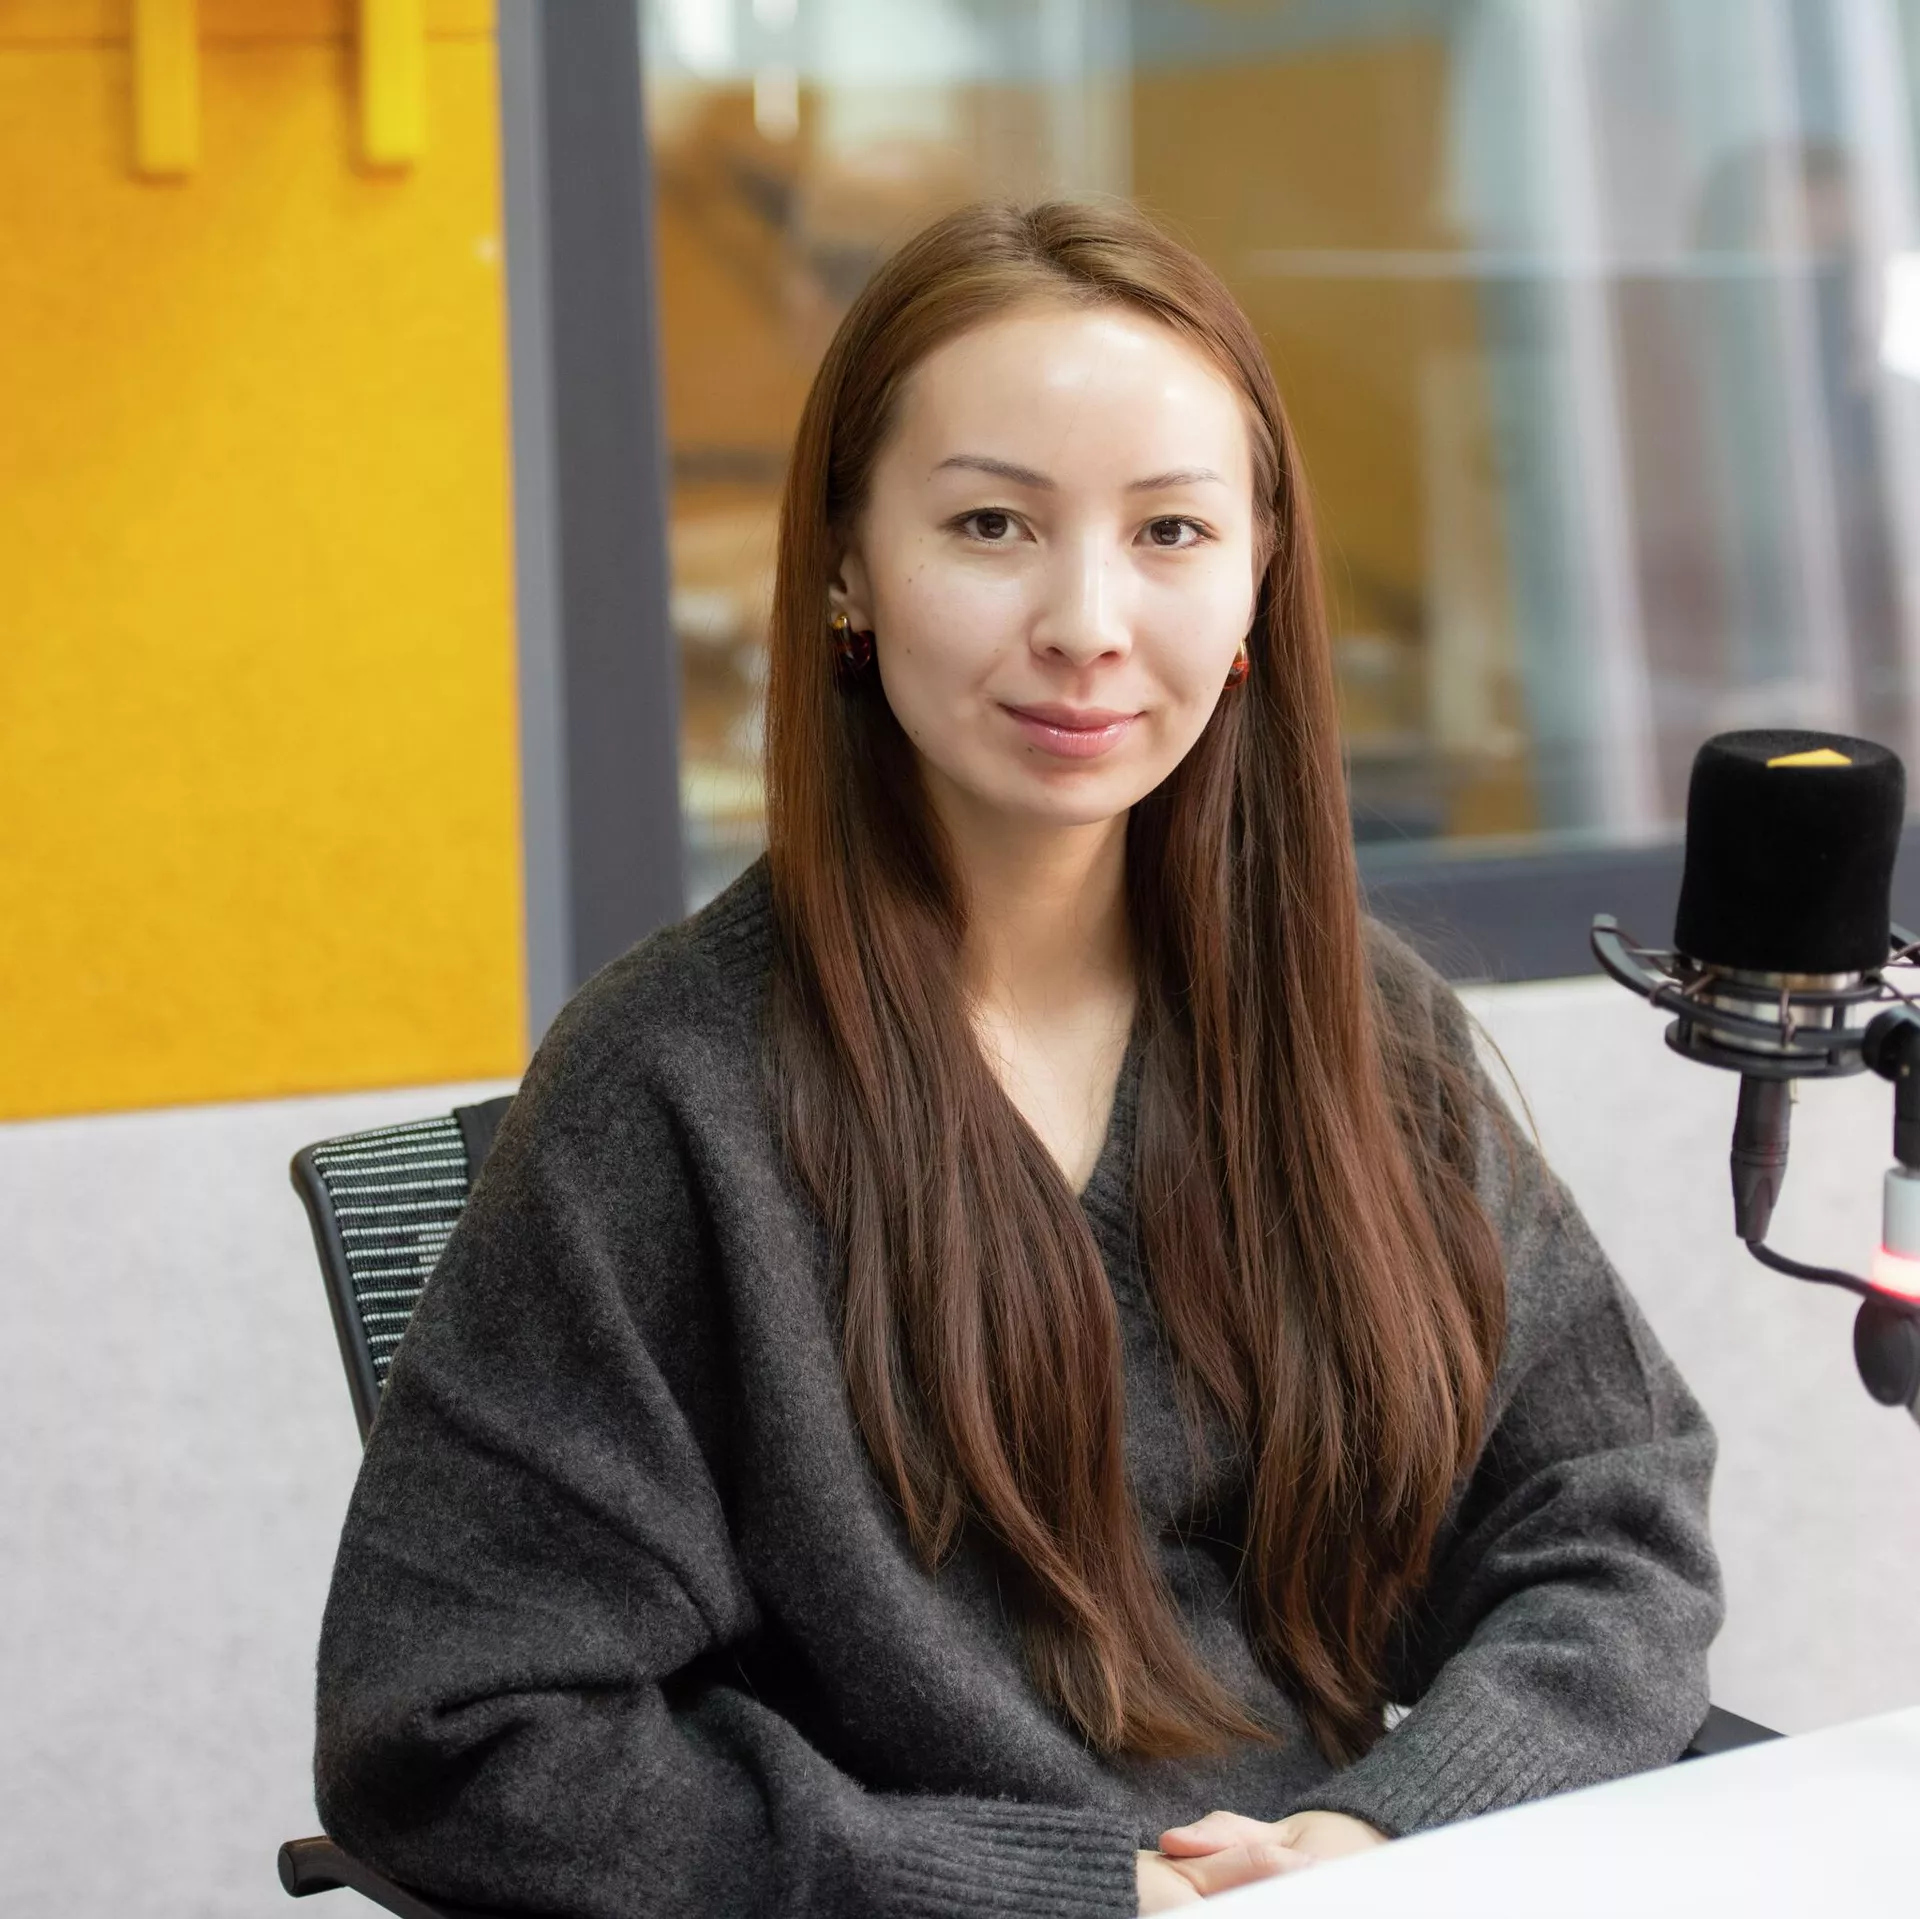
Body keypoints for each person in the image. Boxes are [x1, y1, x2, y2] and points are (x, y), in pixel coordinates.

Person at [314, 198, 1721, 1918]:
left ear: (1259, 575)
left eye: (1171, 530)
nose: (1087, 621)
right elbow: (454, 1733)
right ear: (846, 563)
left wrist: (1391, 1824)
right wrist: (1041, 1891)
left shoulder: (1354, 1025)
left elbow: (1610, 1515)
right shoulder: (669, 1091)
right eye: (992, 523)